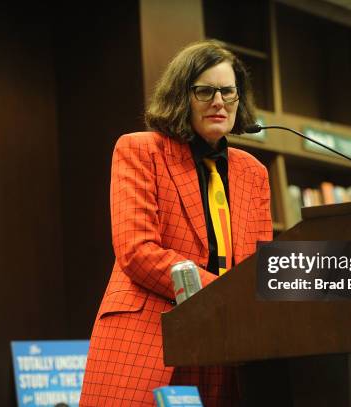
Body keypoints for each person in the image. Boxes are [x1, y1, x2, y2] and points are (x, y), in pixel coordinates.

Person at [79, 40, 273, 407]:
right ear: (181, 96)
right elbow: (137, 251)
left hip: (229, 347)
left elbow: (257, 269)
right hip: (154, 338)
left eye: (228, 92)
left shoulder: (255, 172)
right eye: (205, 91)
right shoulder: (139, 150)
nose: (219, 101)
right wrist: (224, 296)